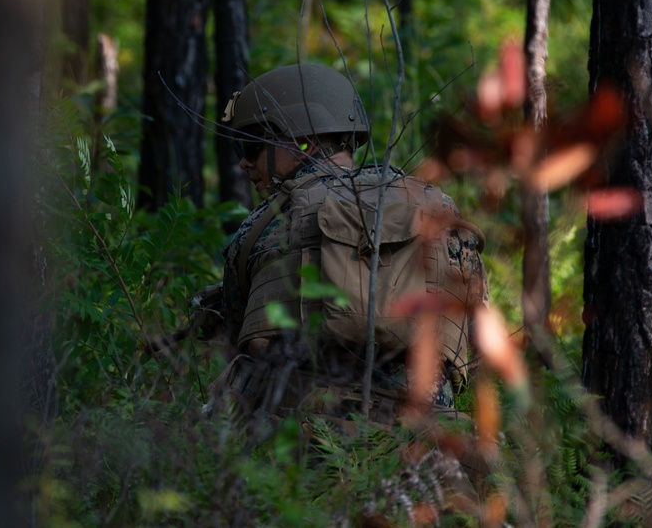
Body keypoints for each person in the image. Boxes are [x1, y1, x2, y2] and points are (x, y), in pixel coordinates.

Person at [201, 62, 488, 433]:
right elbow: (479, 343)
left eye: (253, 145)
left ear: (303, 142)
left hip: (303, 456)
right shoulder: (439, 210)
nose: (243, 161)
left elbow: (240, 349)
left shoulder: (265, 229)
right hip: (427, 453)